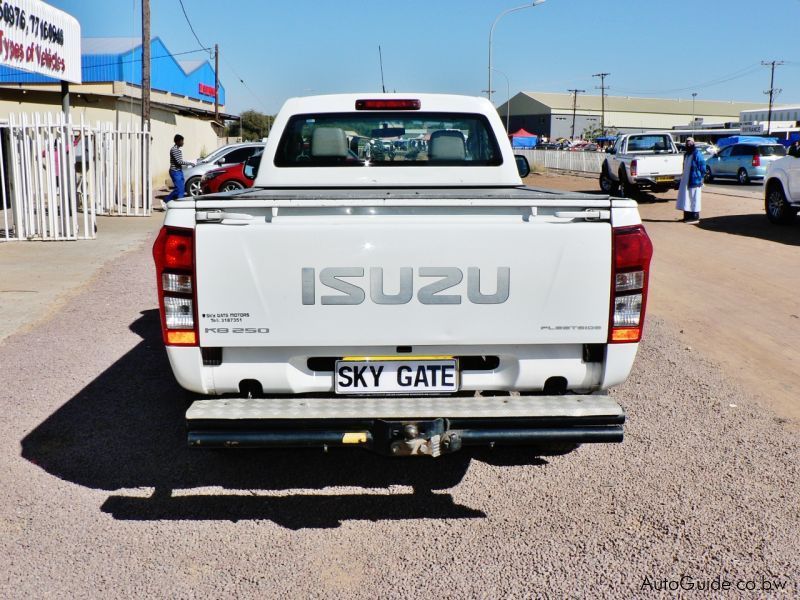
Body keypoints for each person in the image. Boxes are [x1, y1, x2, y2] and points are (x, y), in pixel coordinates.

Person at [676, 137, 706, 224]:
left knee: (694, 198)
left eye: (690, 143)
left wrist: (702, 178)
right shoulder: (686, 155)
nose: (688, 144)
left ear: (693, 144)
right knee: (686, 198)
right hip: (685, 180)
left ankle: (694, 217)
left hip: (694, 180)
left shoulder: (697, 154)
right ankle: (687, 217)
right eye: (687, 143)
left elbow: (702, 166)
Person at [164, 134, 194, 207]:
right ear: (177, 141)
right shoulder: (174, 150)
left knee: (182, 189)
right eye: (182, 141)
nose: (183, 143)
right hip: (175, 172)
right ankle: (166, 200)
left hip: (179, 171)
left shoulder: (178, 149)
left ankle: (180, 204)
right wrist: (189, 163)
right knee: (178, 189)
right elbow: (179, 161)